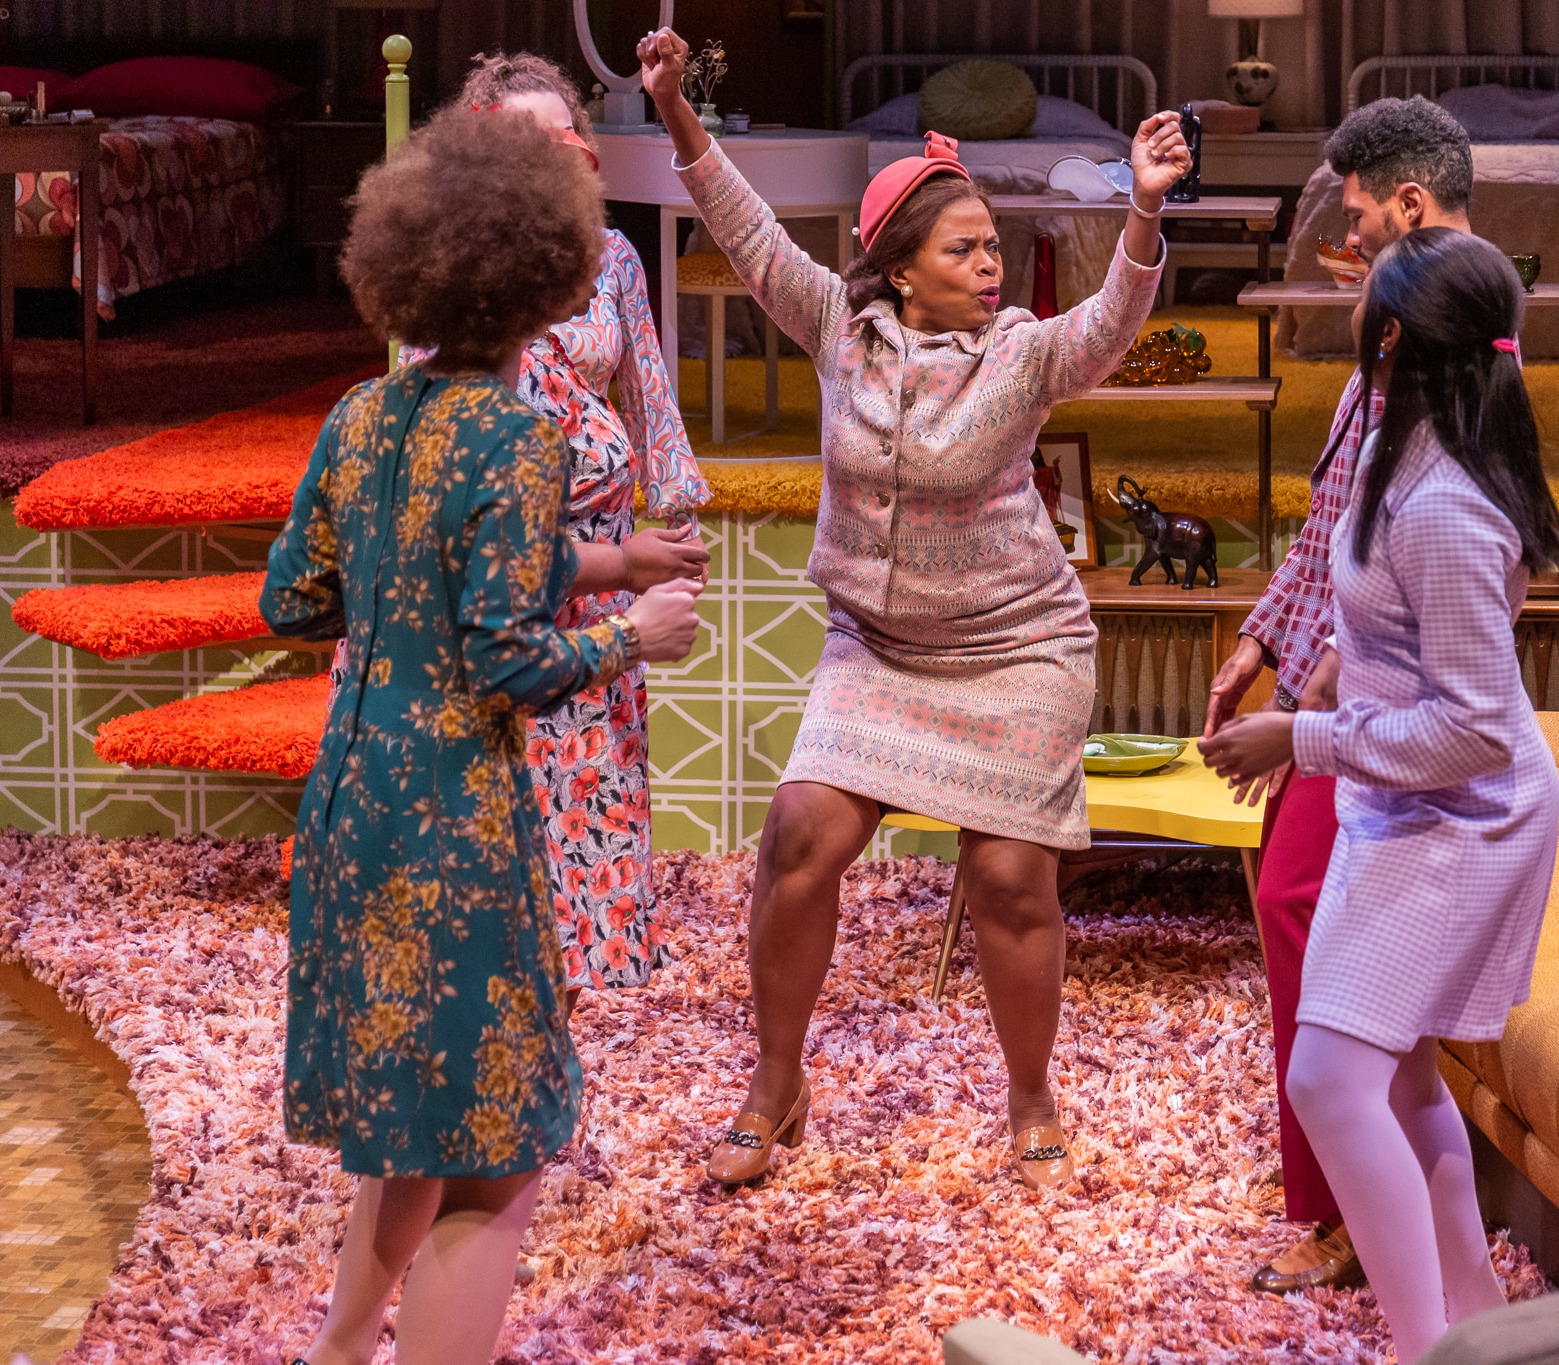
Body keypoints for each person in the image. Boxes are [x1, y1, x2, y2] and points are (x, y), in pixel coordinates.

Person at [634, 26, 1189, 1191]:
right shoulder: (839, 327)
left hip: (1016, 646)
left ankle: (1031, 1096)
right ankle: (775, 1084)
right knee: (799, 837)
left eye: (994, 246)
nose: (992, 265)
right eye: (966, 249)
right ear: (898, 267)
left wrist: (1140, 215)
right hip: (875, 649)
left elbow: (1110, 326)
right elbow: (744, 232)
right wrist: (678, 112)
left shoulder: (1025, 354)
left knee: (1003, 879)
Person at [261, 108, 701, 1365]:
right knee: (493, 1153)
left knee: (413, 1109)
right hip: (451, 815)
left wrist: (410, 578)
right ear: (546, 278)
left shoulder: (359, 414)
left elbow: (292, 599)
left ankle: (341, 1349)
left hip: (347, 805)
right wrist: (632, 633)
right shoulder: (518, 437)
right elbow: (514, 658)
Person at [1204, 227, 1559, 1360]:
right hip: (1399, 805)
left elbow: (1468, 729)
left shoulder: (1450, 509)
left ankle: (1427, 1347)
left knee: (1328, 1076)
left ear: (1395, 335)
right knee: (1396, 1078)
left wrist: (1299, 738)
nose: (1347, 303)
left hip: (1465, 822)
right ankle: (1476, 1326)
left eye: (1364, 296)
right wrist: (1318, 661)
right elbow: (1362, 593)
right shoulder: (1387, 445)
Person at [1198, 94, 1475, 1295]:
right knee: (1291, 902)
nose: (1345, 232)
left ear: (1408, 204)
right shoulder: (1393, 328)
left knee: (1302, 904)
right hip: (1332, 689)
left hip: (1381, 707)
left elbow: (1418, 557)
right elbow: (1329, 517)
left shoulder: (1452, 338)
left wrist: (1317, 707)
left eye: (1357, 212)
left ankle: (1351, 1215)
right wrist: (1261, 640)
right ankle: (1357, 1202)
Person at [404, 53, 713, 1005]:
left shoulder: (613, 259)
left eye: (561, 138)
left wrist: (676, 513)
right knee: (509, 806)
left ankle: (586, 987)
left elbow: (648, 386)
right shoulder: (446, 274)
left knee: (596, 791)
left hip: (605, 573)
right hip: (504, 585)